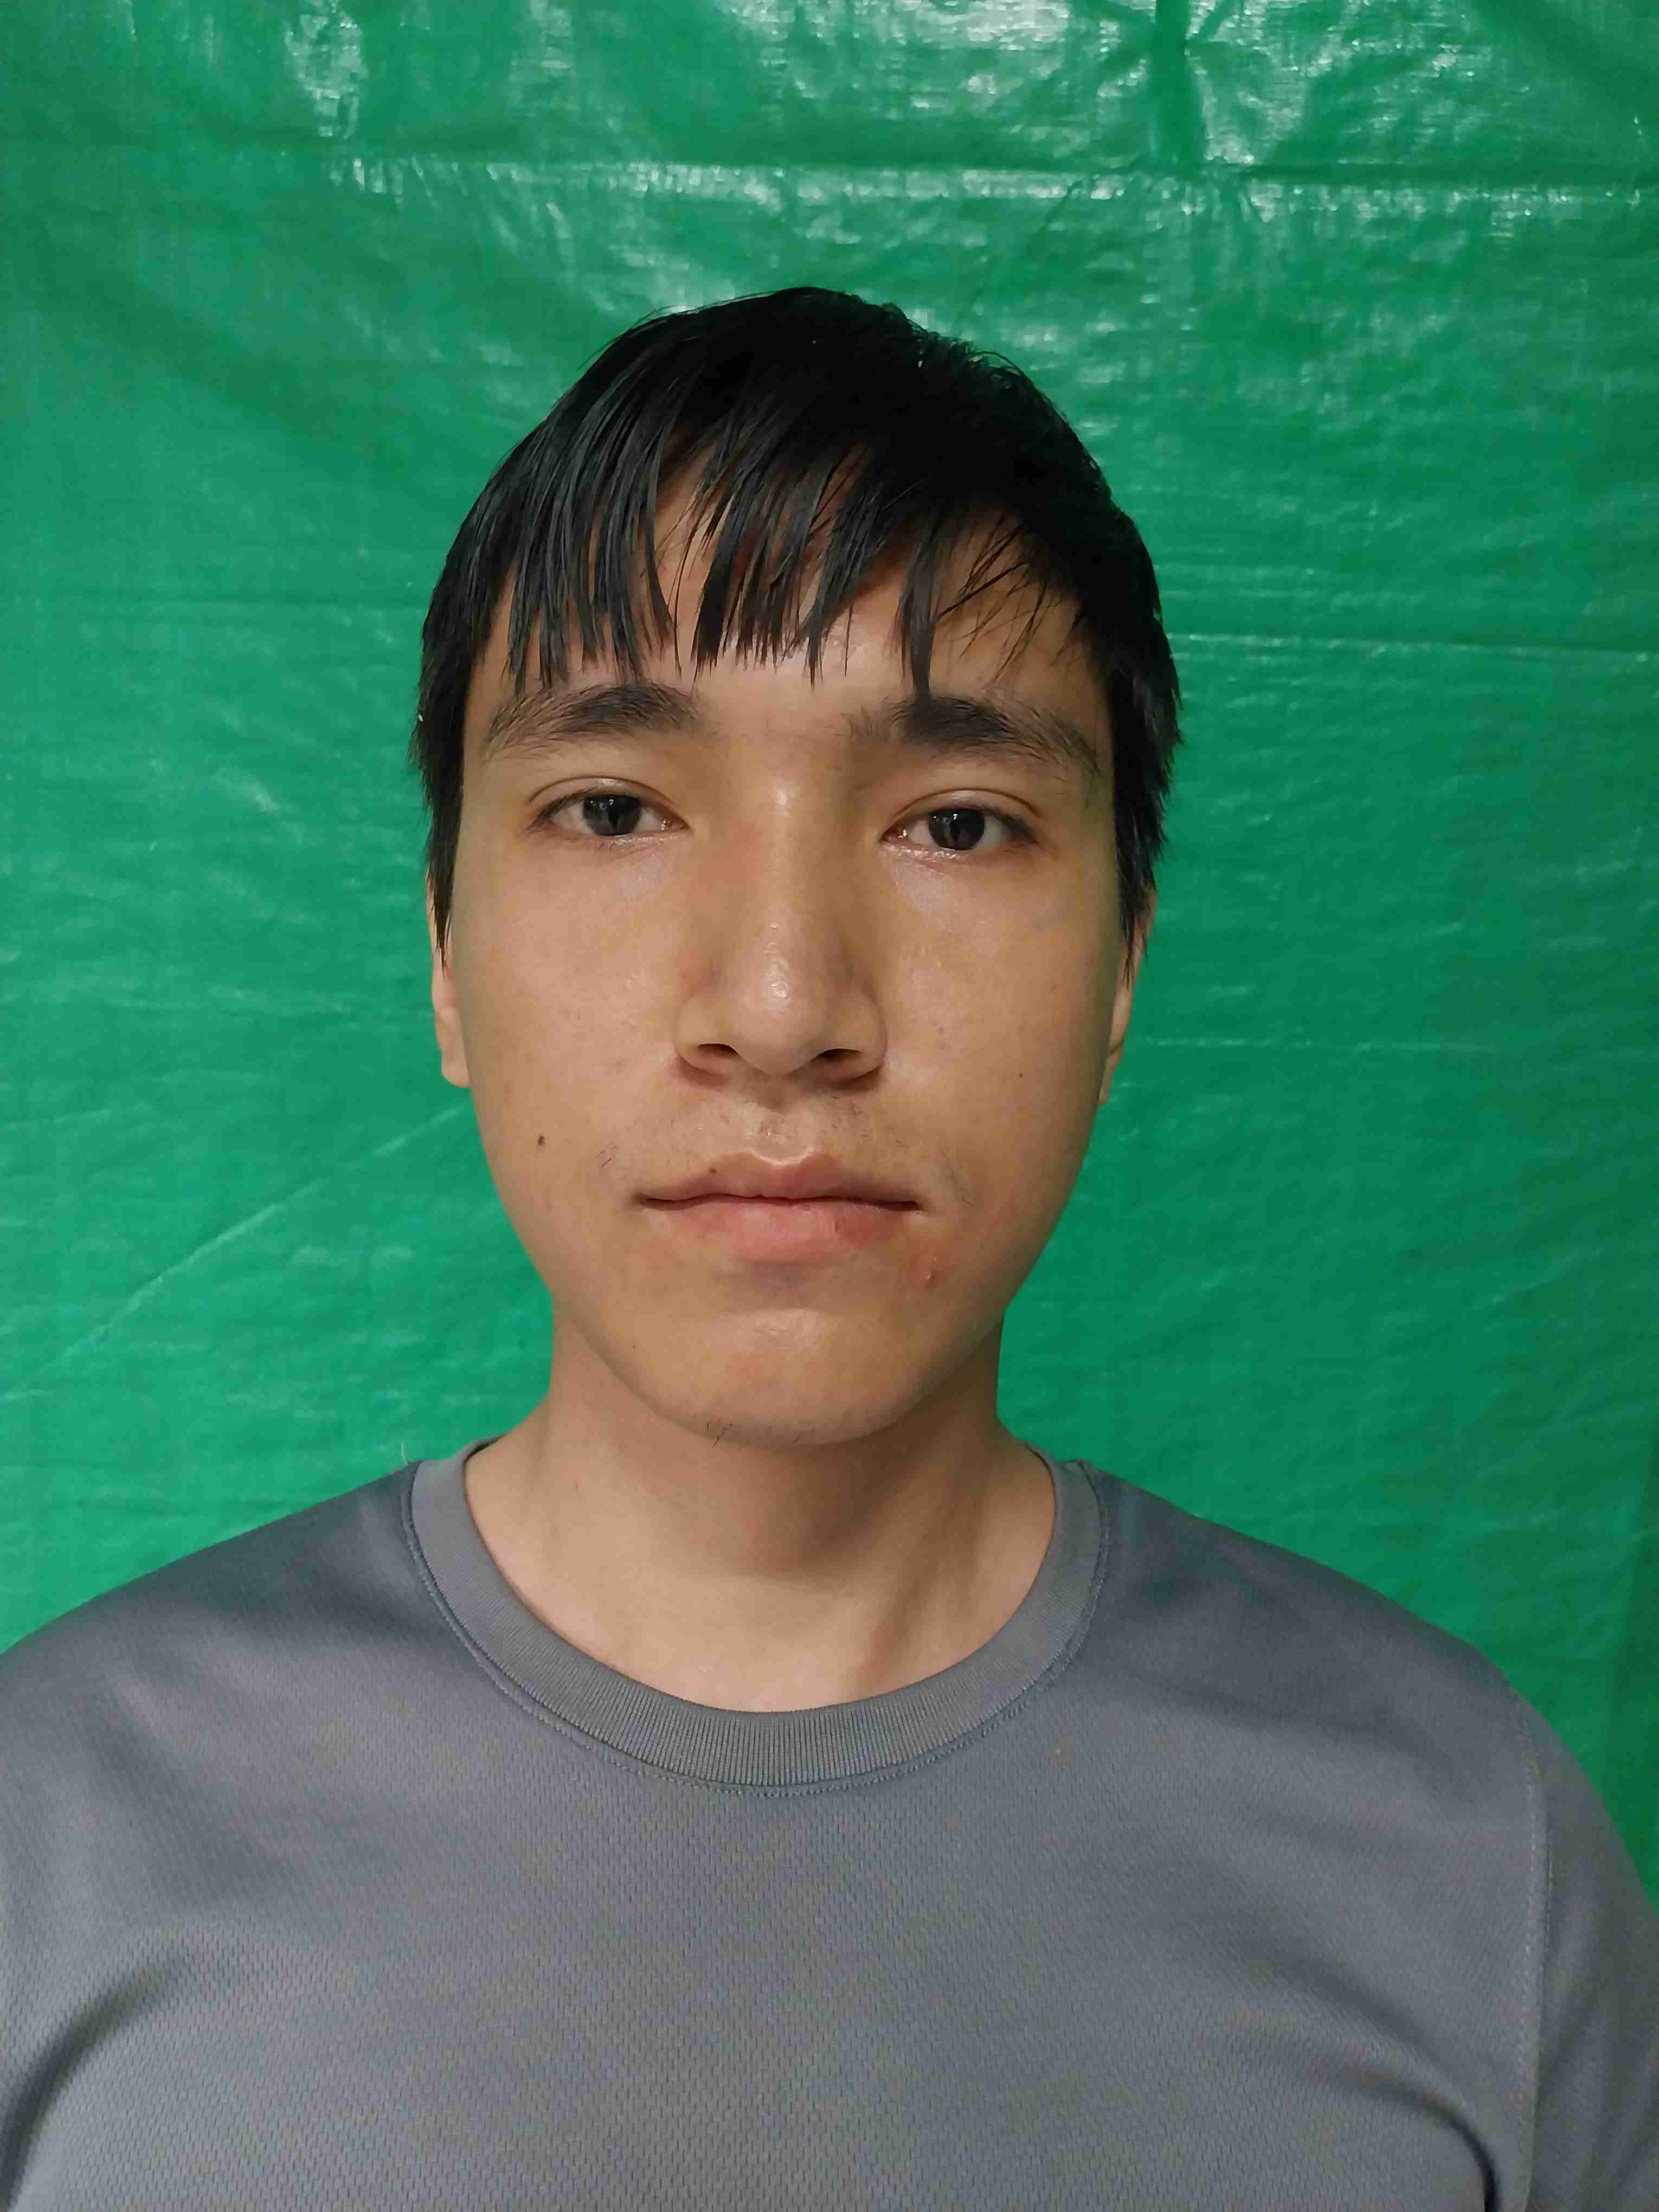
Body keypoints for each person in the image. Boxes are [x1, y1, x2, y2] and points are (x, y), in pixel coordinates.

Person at [1, 286, 1653, 2208]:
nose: (782, 1009)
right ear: (444, 954)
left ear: (1123, 965)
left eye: (955, 825)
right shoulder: (53, 1825)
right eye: (612, 807)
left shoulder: (1469, 1858)